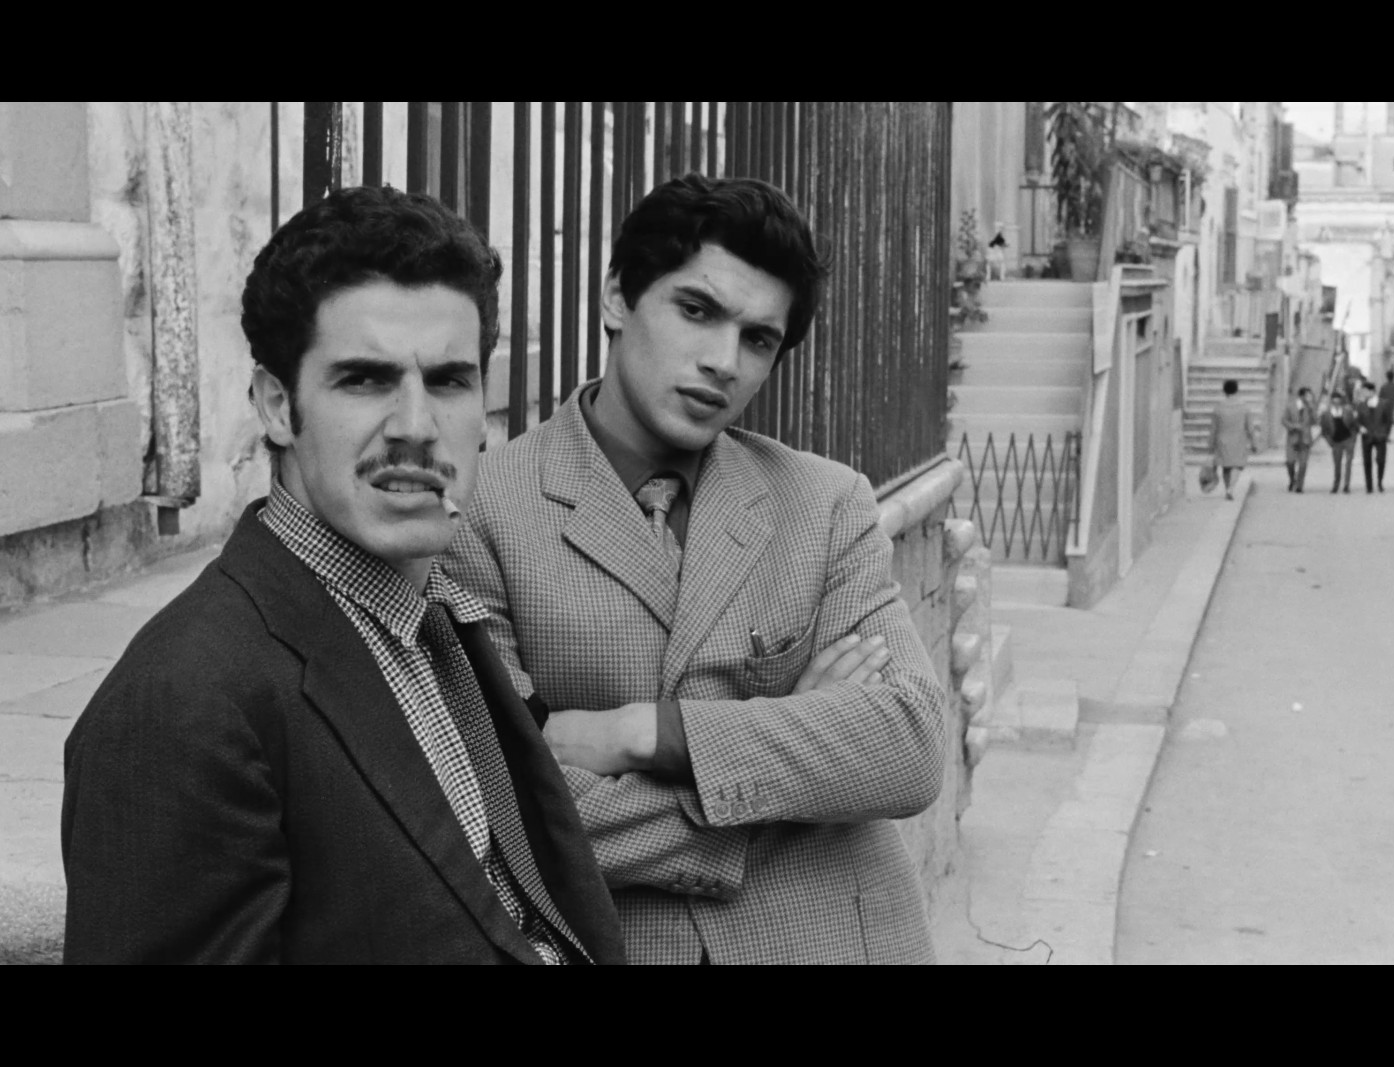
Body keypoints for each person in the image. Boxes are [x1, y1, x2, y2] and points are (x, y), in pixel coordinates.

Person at [60, 187, 627, 965]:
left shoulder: (431, 612)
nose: (416, 428)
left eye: (450, 380)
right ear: (276, 406)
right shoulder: (183, 701)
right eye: (364, 380)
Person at [443, 174, 946, 965]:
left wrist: (645, 733)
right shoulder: (483, 511)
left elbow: (910, 743)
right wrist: (800, 758)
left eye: (758, 339)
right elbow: (511, 810)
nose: (723, 362)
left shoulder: (825, 502)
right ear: (617, 297)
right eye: (697, 310)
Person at [1209, 378, 1260, 501]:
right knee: (1237, 465)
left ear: (1224, 391)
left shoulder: (1218, 407)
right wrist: (1254, 443)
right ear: (1237, 390)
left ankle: (1228, 488)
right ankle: (1231, 489)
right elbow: (1250, 428)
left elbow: (1213, 428)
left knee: (1226, 467)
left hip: (1222, 440)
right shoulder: (1244, 407)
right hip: (1239, 440)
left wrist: (1211, 444)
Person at [1356, 380, 1394, 492]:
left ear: (1372, 391)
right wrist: (1360, 428)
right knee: (1367, 461)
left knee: (1381, 460)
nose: (1363, 394)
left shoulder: (1384, 403)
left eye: (1365, 391)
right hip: (1366, 436)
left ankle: (1379, 482)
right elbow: (1357, 420)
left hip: (1380, 436)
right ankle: (1369, 485)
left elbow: (1389, 420)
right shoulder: (1361, 405)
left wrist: (1386, 434)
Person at [1281, 386, 1318, 493]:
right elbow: (1284, 420)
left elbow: (1315, 421)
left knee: (1303, 464)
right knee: (1290, 462)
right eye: (1308, 396)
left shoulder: (1310, 407)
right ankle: (1292, 479)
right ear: (1301, 396)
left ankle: (1299, 486)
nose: (1310, 398)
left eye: (1310, 396)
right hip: (1293, 438)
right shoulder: (1290, 406)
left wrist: (1312, 409)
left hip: (1305, 439)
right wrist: (1293, 426)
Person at [1321, 391, 1359, 493]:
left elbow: (1354, 426)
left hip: (1348, 439)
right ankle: (1336, 484)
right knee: (1337, 464)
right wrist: (1330, 442)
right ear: (1332, 401)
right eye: (1335, 401)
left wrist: (1353, 439)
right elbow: (1324, 431)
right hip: (1336, 441)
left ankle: (1346, 485)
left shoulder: (1348, 411)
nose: (1337, 403)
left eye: (1338, 401)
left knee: (1348, 463)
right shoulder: (1326, 414)